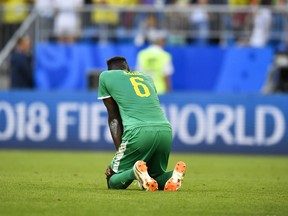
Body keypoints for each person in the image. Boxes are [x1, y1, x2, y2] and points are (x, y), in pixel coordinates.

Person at [98, 56, 186, 191]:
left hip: (138, 131)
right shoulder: (146, 77)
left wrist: (119, 153)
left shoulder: (106, 76)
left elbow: (114, 117)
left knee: (112, 179)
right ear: (127, 68)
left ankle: (134, 172)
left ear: (110, 70)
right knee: (155, 175)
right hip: (165, 130)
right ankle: (173, 176)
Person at [136, 30, 174, 94]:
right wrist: (169, 92)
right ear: (160, 41)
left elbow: (139, 74)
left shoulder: (142, 54)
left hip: (145, 91)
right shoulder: (164, 55)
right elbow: (166, 75)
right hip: (160, 91)